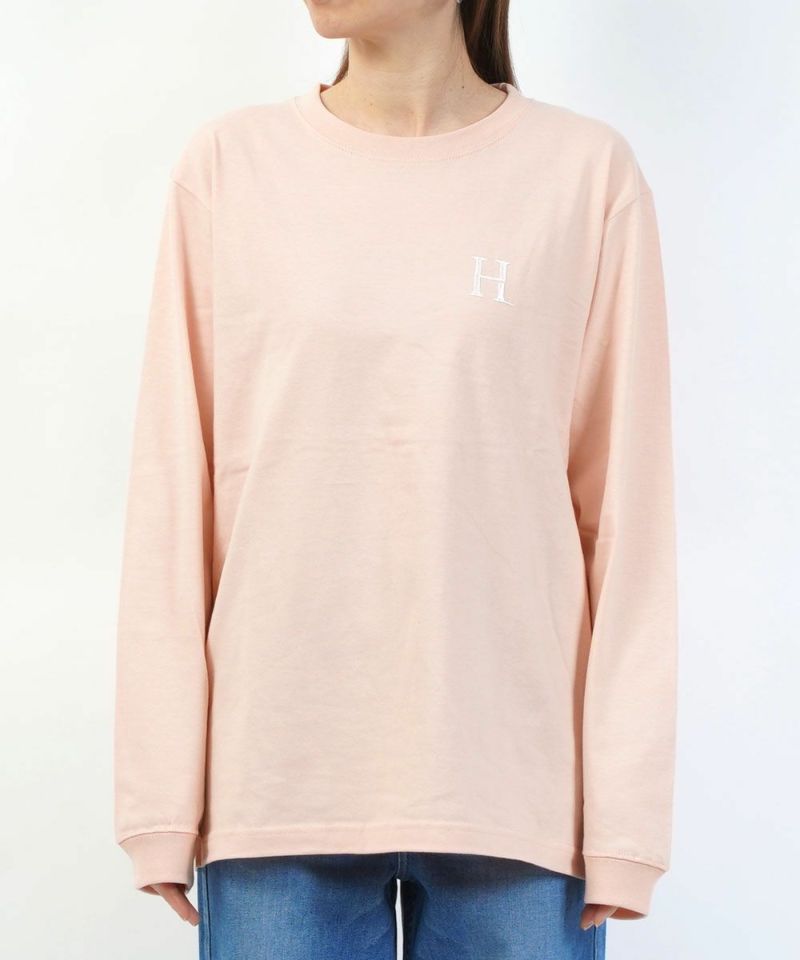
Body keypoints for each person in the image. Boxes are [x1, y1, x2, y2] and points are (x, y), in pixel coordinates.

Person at [113, 1, 678, 957]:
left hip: (515, 790)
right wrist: (161, 796)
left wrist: (625, 820)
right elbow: (174, 490)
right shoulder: (229, 168)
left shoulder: (584, 176)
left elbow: (628, 515)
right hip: (278, 780)